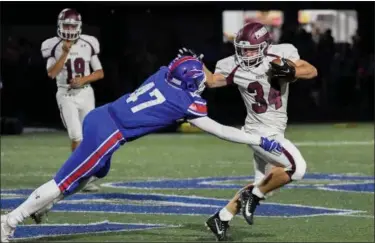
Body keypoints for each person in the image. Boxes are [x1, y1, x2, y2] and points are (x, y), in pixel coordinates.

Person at [1, 55, 283, 242]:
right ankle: (10, 222)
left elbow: (179, 66)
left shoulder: (163, 74)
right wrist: (259, 140)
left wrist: (191, 60)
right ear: (189, 84)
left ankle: (44, 206)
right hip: (109, 134)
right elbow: (222, 131)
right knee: (65, 180)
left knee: (95, 173)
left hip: (100, 115)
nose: (202, 85)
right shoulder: (184, 102)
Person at [180, 21, 317, 241]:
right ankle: (252, 195)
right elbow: (213, 81)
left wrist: (290, 70)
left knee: (266, 182)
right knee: (297, 168)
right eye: (242, 50)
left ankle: (222, 218)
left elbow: (310, 71)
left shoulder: (281, 53)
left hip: (272, 130)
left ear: (265, 46)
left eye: (252, 49)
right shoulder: (234, 64)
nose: (246, 55)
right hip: (260, 133)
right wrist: (197, 62)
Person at [41, 8, 104, 194]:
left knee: (90, 135)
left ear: (79, 26)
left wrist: (83, 80)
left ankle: (87, 176)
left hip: (85, 93)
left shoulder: (88, 43)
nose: (69, 28)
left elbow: (99, 73)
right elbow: (52, 73)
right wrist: (64, 53)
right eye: (66, 25)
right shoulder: (52, 45)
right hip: (66, 94)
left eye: (72, 25)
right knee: (76, 136)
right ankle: (77, 175)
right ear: (60, 25)